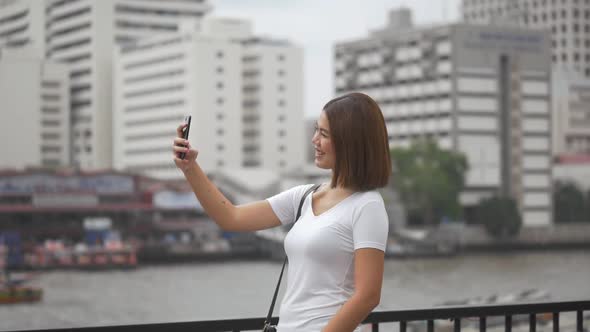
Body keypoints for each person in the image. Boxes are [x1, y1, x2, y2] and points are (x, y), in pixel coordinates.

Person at [172, 92, 391, 332]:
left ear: (350, 142)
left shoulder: (367, 205)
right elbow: (231, 217)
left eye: (324, 134)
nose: (314, 140)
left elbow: (368, 295)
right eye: (316, 130)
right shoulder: (304, 196)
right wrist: (190, 168)